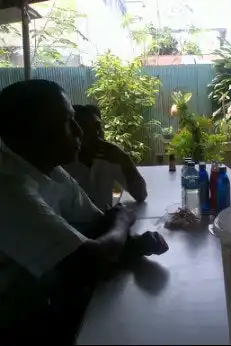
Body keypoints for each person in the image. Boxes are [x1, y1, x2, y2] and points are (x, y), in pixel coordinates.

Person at [0, 80, 168, 343]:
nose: (79, 131)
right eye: (68, 122)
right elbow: (89, 261)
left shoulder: (52, 169)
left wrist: (128, 242)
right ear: (30, 132)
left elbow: (99, 224)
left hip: (38, 297)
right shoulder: (8, 188)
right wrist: (123, 220)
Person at [63, 104, 147, 210]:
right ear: (74, 131)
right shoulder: (62, 163)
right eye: (87, 127)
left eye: (98, 127)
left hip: (106, 223)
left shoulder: (111, 157)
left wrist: (125, 161)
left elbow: (141, 195)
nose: (97, 133)